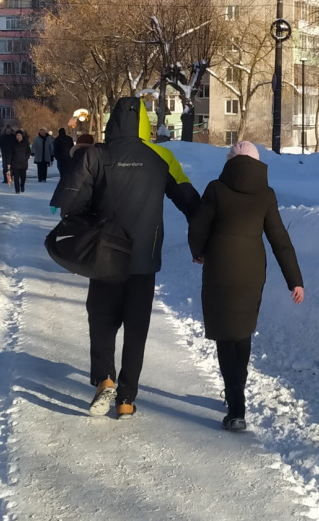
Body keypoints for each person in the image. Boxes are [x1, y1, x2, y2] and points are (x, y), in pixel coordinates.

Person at [51, 97, 199, 419]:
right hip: (144, 260)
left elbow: (66, 203)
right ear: (145, 123)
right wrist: (204, 243)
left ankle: (105, 378)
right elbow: (190, 203)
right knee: (137, 328)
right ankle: (127, 399)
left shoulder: (97, 155)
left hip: (104, 258)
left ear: (111, 122)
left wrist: (91, 213)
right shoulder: (162, 157)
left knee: (101, 319)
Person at [188, 141, 304, 432]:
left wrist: (198, 251)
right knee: (242, 331)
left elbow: (198, 226)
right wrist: (295, 280)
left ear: (231, 161)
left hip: (220, 270)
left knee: (226, 336)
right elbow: (280, 240)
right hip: (252, 272)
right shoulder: (266, 195)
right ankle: (236, 393)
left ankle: (236, 405)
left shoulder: (216, 188)